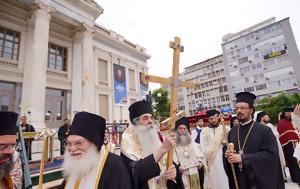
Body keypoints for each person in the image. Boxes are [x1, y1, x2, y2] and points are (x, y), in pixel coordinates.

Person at [224, 92, 284, 189]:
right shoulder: (232, 132)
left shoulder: (264, 130)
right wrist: (228, 154)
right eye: (237, 108)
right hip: (241, 180)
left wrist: (243, 158)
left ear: (251, 110)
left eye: (243, 108)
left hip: (260, 182)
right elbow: (228, 155)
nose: (239, 111)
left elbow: (272, 155)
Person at [59, 111, 132, 189]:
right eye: (69, 143)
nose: (72, 149)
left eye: (79, 143)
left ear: (94, 144)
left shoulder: (115, 165)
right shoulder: (75, 165)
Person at [121, 100, 177, 189]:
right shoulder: (128, 144)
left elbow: (168, 164)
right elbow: (135, 174)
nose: (150, 121)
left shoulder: (155, 137)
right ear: (135, 123)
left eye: (151, 117)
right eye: (145, 118)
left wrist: (173, 172)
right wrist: (162, 150)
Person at [199, 109, 229, 189]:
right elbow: (202, 146)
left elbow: (227, 144)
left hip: (222, 158)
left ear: (217, 118)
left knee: (223, 177)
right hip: (209, 160)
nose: (213, 120)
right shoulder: (204, 131)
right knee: (212, 179)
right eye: (211, 118)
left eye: (214, 118)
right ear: (208, 119)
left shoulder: (224, 129)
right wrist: (204, 159)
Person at [173, 117, 204, 189]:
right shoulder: (172, 146)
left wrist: (200, 163)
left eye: (184, 128)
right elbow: (171, 163)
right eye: (180, 128)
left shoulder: (193, 144)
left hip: (195, 173)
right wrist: (178, 168)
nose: (182, 130)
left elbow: (201, 157)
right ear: (176, 130)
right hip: (181, 177)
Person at [256, 111, 286, 181]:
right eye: (267, 116)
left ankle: (281, 177)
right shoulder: (258, 127)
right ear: (262, 118)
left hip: (276, 146)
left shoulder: (270, 125)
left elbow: (277, 135)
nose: (268, 118)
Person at [277, 106, 300, 185]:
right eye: (286, 113)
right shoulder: (281, 122)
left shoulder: (296, 120)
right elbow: (280, 135)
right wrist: (291, 135)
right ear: (284, 114)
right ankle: (296, 177)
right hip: (289, 146)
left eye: (290, 113)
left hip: (298, 144)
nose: (288, 115)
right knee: (293, 162)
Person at [0, 112, 22, 189]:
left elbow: (16, 185)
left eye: (13, 146)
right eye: (3, 146)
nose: (11, 151)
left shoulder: (14, 157)